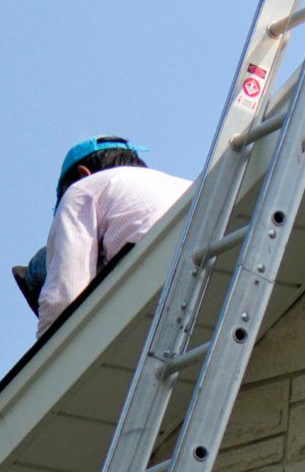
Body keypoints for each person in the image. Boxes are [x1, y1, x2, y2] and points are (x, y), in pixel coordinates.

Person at [20, 136, 191, 337]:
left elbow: (65, 294)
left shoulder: (82, 188)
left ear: (83, 173)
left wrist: (47, 355)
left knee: (41, 265)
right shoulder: (177, 183)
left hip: (157, 275)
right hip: (204, 260)